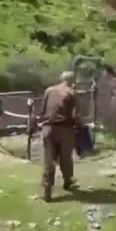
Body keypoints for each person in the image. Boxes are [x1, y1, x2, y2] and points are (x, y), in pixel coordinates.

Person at [33, 70, 83, 200]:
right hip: (65, 129)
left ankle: (47, 190)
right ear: (73, 81)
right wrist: (81, 127)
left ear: (62, 79)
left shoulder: (49, 90)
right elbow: (75, 115)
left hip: (48, 128)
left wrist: (40, 123)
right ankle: (68, 182)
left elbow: (43, 110)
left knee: (48, 160)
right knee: (65, 158)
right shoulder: (72, 93)